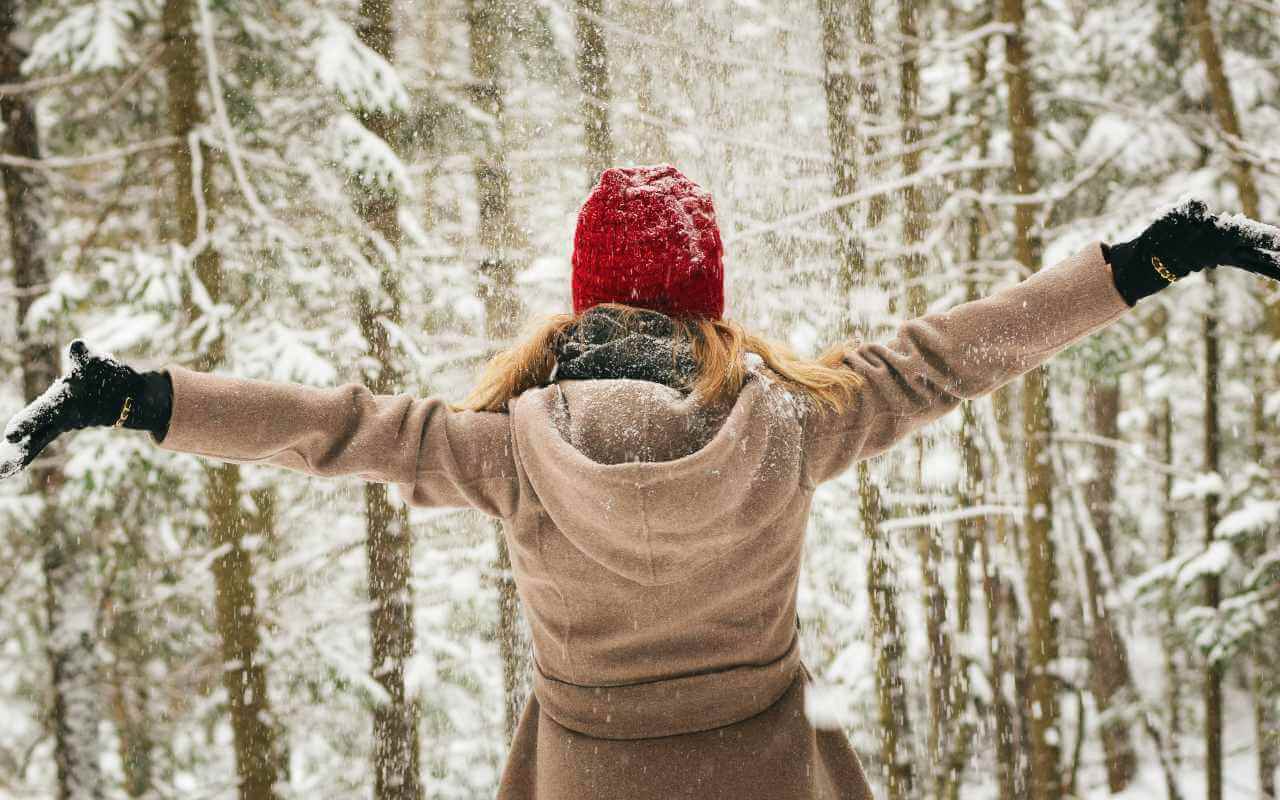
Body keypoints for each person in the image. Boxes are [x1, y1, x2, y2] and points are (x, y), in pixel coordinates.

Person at [3, 164, 1280, 800]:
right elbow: (954, 355)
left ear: (584, 294)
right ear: (707, 298)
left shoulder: (506, 449)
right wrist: (1142, 260)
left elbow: (338, 430)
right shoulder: (792, 424)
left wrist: (140, 398)